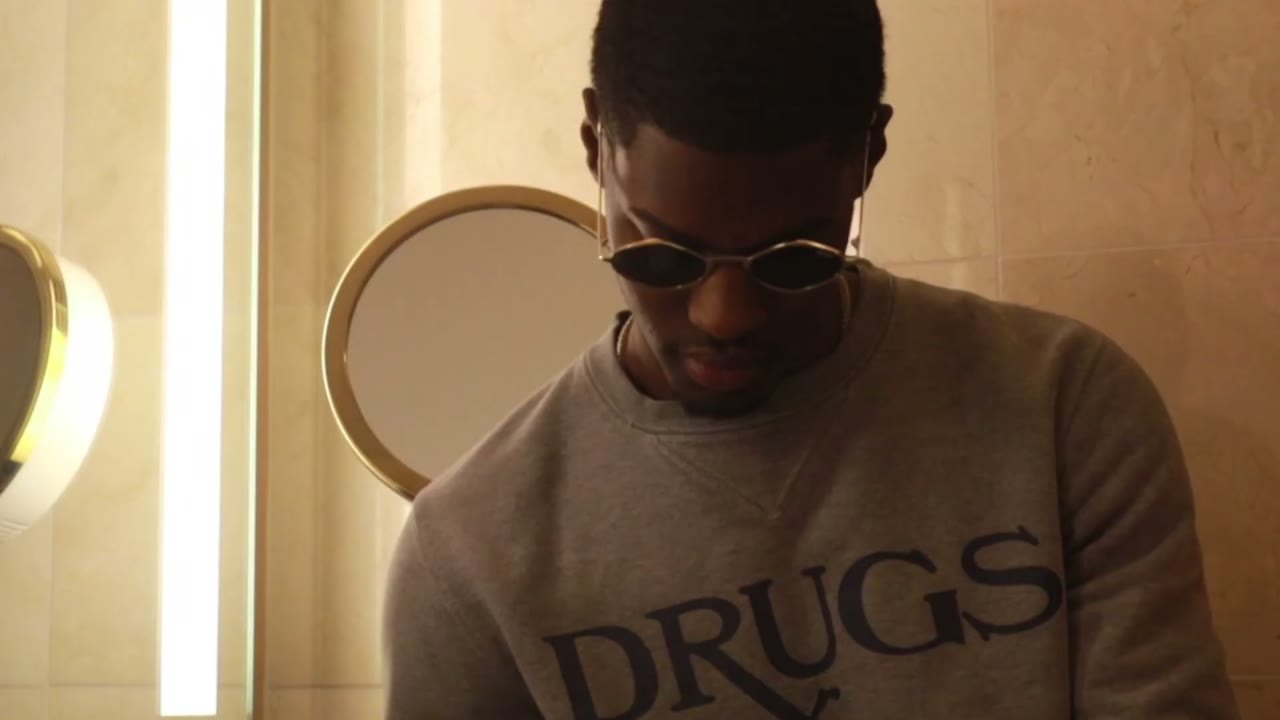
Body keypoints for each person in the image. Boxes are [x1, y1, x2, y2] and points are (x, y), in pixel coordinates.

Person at [384, 1, 1239, 718]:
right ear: (593, 144)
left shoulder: (1063, 410)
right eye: (664, 254)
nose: (724, 316)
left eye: (792, 257)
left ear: (869, 154)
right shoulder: (468, 550)